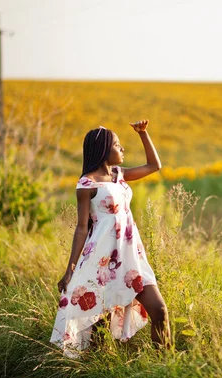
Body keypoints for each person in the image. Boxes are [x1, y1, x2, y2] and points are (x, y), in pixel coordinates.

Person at [50, 119, 170, 355]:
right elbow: (81, 228)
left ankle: (166, 366)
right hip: (101, 262)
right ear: (104, 150)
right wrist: (70, 270)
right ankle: (93, 372)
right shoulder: (86, 184)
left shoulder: (120, 175)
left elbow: (154, 166)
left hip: (131, 257)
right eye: (117, 145)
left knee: (160, 310)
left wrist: (143, 133)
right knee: (99, 328)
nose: (122, 149)